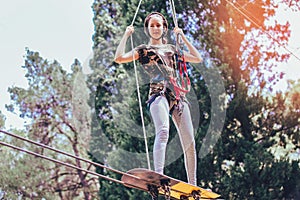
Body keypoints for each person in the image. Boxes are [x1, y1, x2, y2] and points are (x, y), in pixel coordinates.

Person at [114, 12, 202, 186]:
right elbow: (119, 58)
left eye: (158, 25)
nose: (155, 28)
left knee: (189, 142)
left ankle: (193, 184)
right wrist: (126, 34)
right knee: (163, 131)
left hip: (178, 97)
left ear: (164, 28)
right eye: (152, 25)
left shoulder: (173, 49)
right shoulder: (143, 51)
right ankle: (159, 175)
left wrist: (182, 37)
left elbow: (197, 58)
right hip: (158, 93)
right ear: (147, 29)